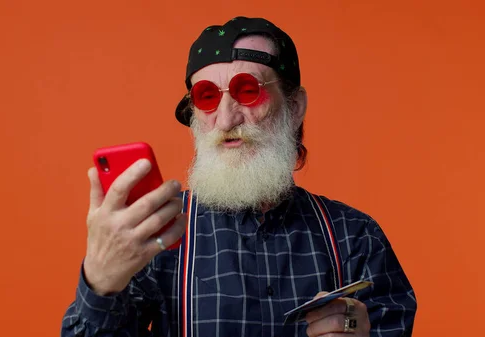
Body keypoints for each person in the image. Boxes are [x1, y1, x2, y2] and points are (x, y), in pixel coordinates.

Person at [61, 16, 417, 337]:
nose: (227, 120)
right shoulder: (157, 234)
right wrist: (100, 280)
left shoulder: (356, 237)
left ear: (294, 108)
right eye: (207, 97)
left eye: (249, 91)